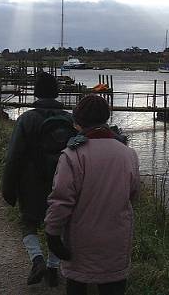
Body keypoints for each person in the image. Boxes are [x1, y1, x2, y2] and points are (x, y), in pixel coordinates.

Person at [44, 94, 140, 295]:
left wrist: (52, 234)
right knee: (114, 287)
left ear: (77, 122)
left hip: (81, 241)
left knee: (78, 285)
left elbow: (61, 200)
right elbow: (133, 195)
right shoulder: (128, 154)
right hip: (117, 240)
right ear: (106, 118)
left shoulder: (73, 155)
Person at [2, 71, 76, 287]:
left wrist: (8, 189)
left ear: (36, 94)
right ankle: (54, 269)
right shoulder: (69, 119)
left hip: (31, 183)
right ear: (57, 92)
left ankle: (37, 260)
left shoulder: (27, 119)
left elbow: (14, 156)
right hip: (63, 182)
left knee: (28, 223)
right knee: (59, 225)